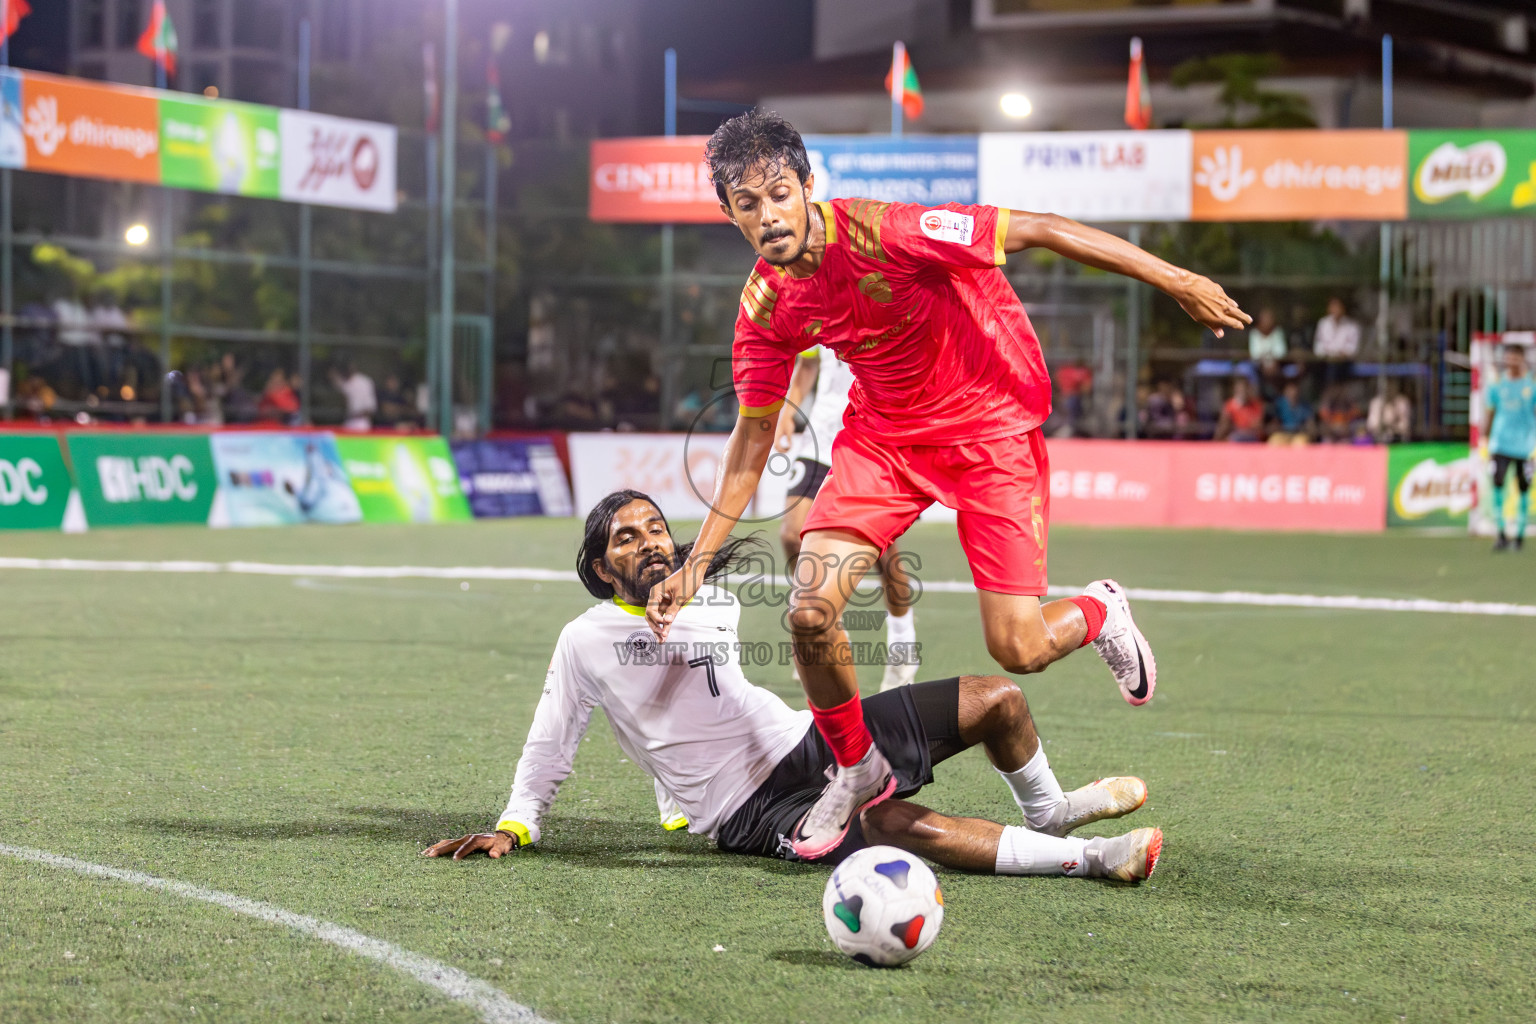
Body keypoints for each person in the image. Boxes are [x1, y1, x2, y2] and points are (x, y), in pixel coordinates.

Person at [645, 111, 1248, 860]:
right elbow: (751, 440)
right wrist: (694, 563)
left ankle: (1100, 609)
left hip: (988, 427)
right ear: (730, 212)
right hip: (884, 442)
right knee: (808, 613)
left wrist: (1176, 278)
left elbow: (1040, 227)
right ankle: (856, 767)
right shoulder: (767, 305)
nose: (768, 217)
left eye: (778, 194)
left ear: (808, 187)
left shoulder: (890, 230)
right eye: (748, 203)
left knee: (1019, 649)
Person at [422, 491, 1163, 881]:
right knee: (896, 826)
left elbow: (694, 699)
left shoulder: (711, 599)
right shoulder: (584, 639)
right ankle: (1093, 859)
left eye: (654, 528)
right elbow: (554, 740)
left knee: (998, 699)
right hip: (749, 809)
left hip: (811, 745)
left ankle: (1052, 813)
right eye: (625, 537)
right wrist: (518, 824)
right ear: (599, 567)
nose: (648, 540)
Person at [774, 346, 920, 691]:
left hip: (869, 439)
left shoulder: (882, 297)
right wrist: (788, 408)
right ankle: (826, 628)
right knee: (792, 534)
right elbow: (807, 363)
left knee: (881, 551)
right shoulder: (817, 304)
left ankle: (903, 643)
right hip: (820, 438)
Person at [1482, 343, 1536, 552]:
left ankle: (1520, 536)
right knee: (1497, 486)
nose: (1511, 360)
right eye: (1508, 357)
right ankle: (1501, 534)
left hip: (1526, 447)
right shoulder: (1496, 384)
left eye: (1515, 357)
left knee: (1524, 489)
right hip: (1500, 445)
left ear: (1522, 359)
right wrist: (1484, 440)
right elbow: (1490, 413)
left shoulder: (1531, 385)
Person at [330, 360, 376, 432]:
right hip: (348, 422)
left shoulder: (365, 382)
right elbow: (336, 381)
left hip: (362, 422)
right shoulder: (345, 383)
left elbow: (370, 408)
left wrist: (356, 415)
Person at [1214, 377, 1265, 443]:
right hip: (1234, 437)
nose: (1243, 392)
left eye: (1245, 389)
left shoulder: (1257, 405)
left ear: (1249, 390)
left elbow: (1258, 427)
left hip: (1252, 438)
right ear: (1236, 390)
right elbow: (1224, 426)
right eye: (1240, 389)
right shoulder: (1229, 406)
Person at [1268, 380, 1314, 446]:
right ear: (1285, 392)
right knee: (1273, 441)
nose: (1292, 393)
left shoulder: (1305, 406)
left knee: (1301, 443)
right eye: (1289, 391)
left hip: (1299, 434)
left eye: (1294, 391)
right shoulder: (1279, 404)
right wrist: (1275, 427)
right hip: (1283, 433)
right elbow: (1274, 423)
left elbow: (1310, 424)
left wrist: (1307, 428)